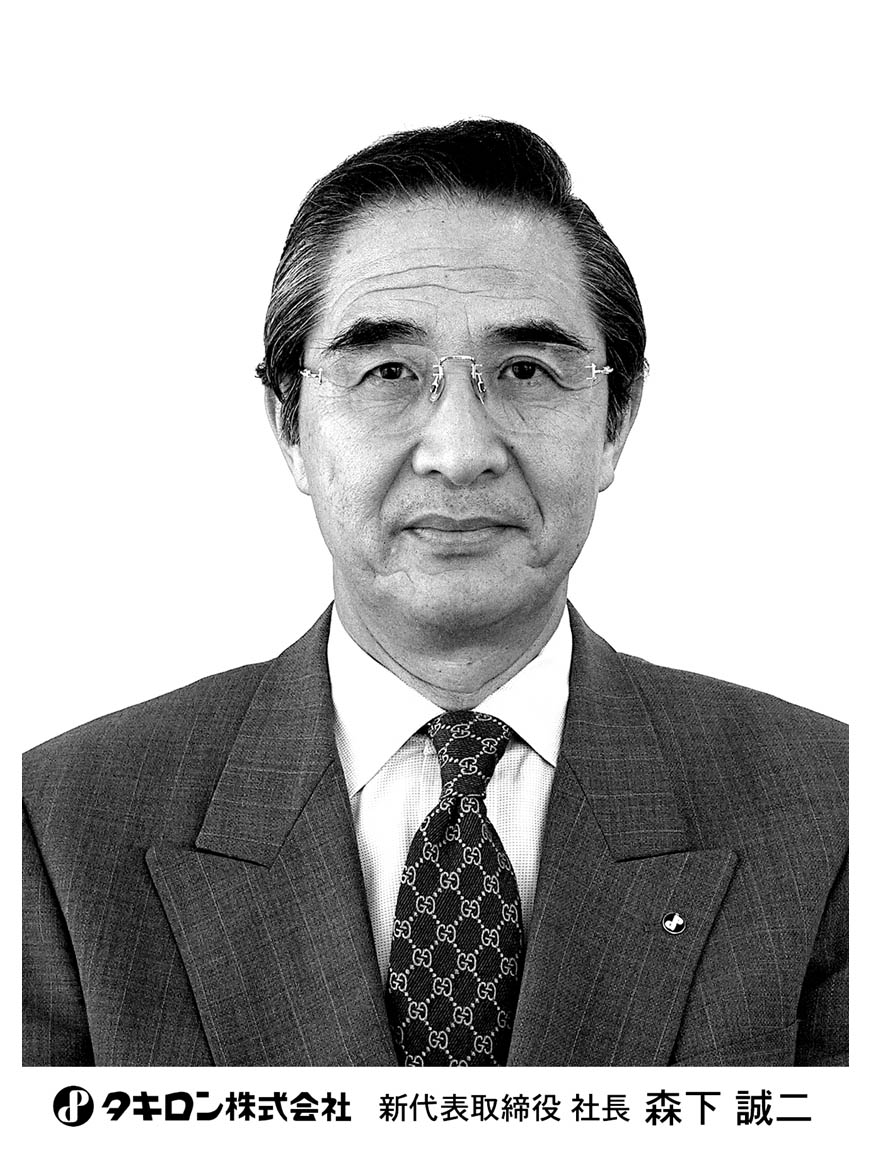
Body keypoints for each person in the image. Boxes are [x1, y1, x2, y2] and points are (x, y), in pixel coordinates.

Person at [23, 119, 847, 1068]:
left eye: (526, 371)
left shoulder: (827, 807)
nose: (459, 452)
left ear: (616, 421)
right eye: (388, 372)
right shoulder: (59, 824)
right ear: (289, 426)